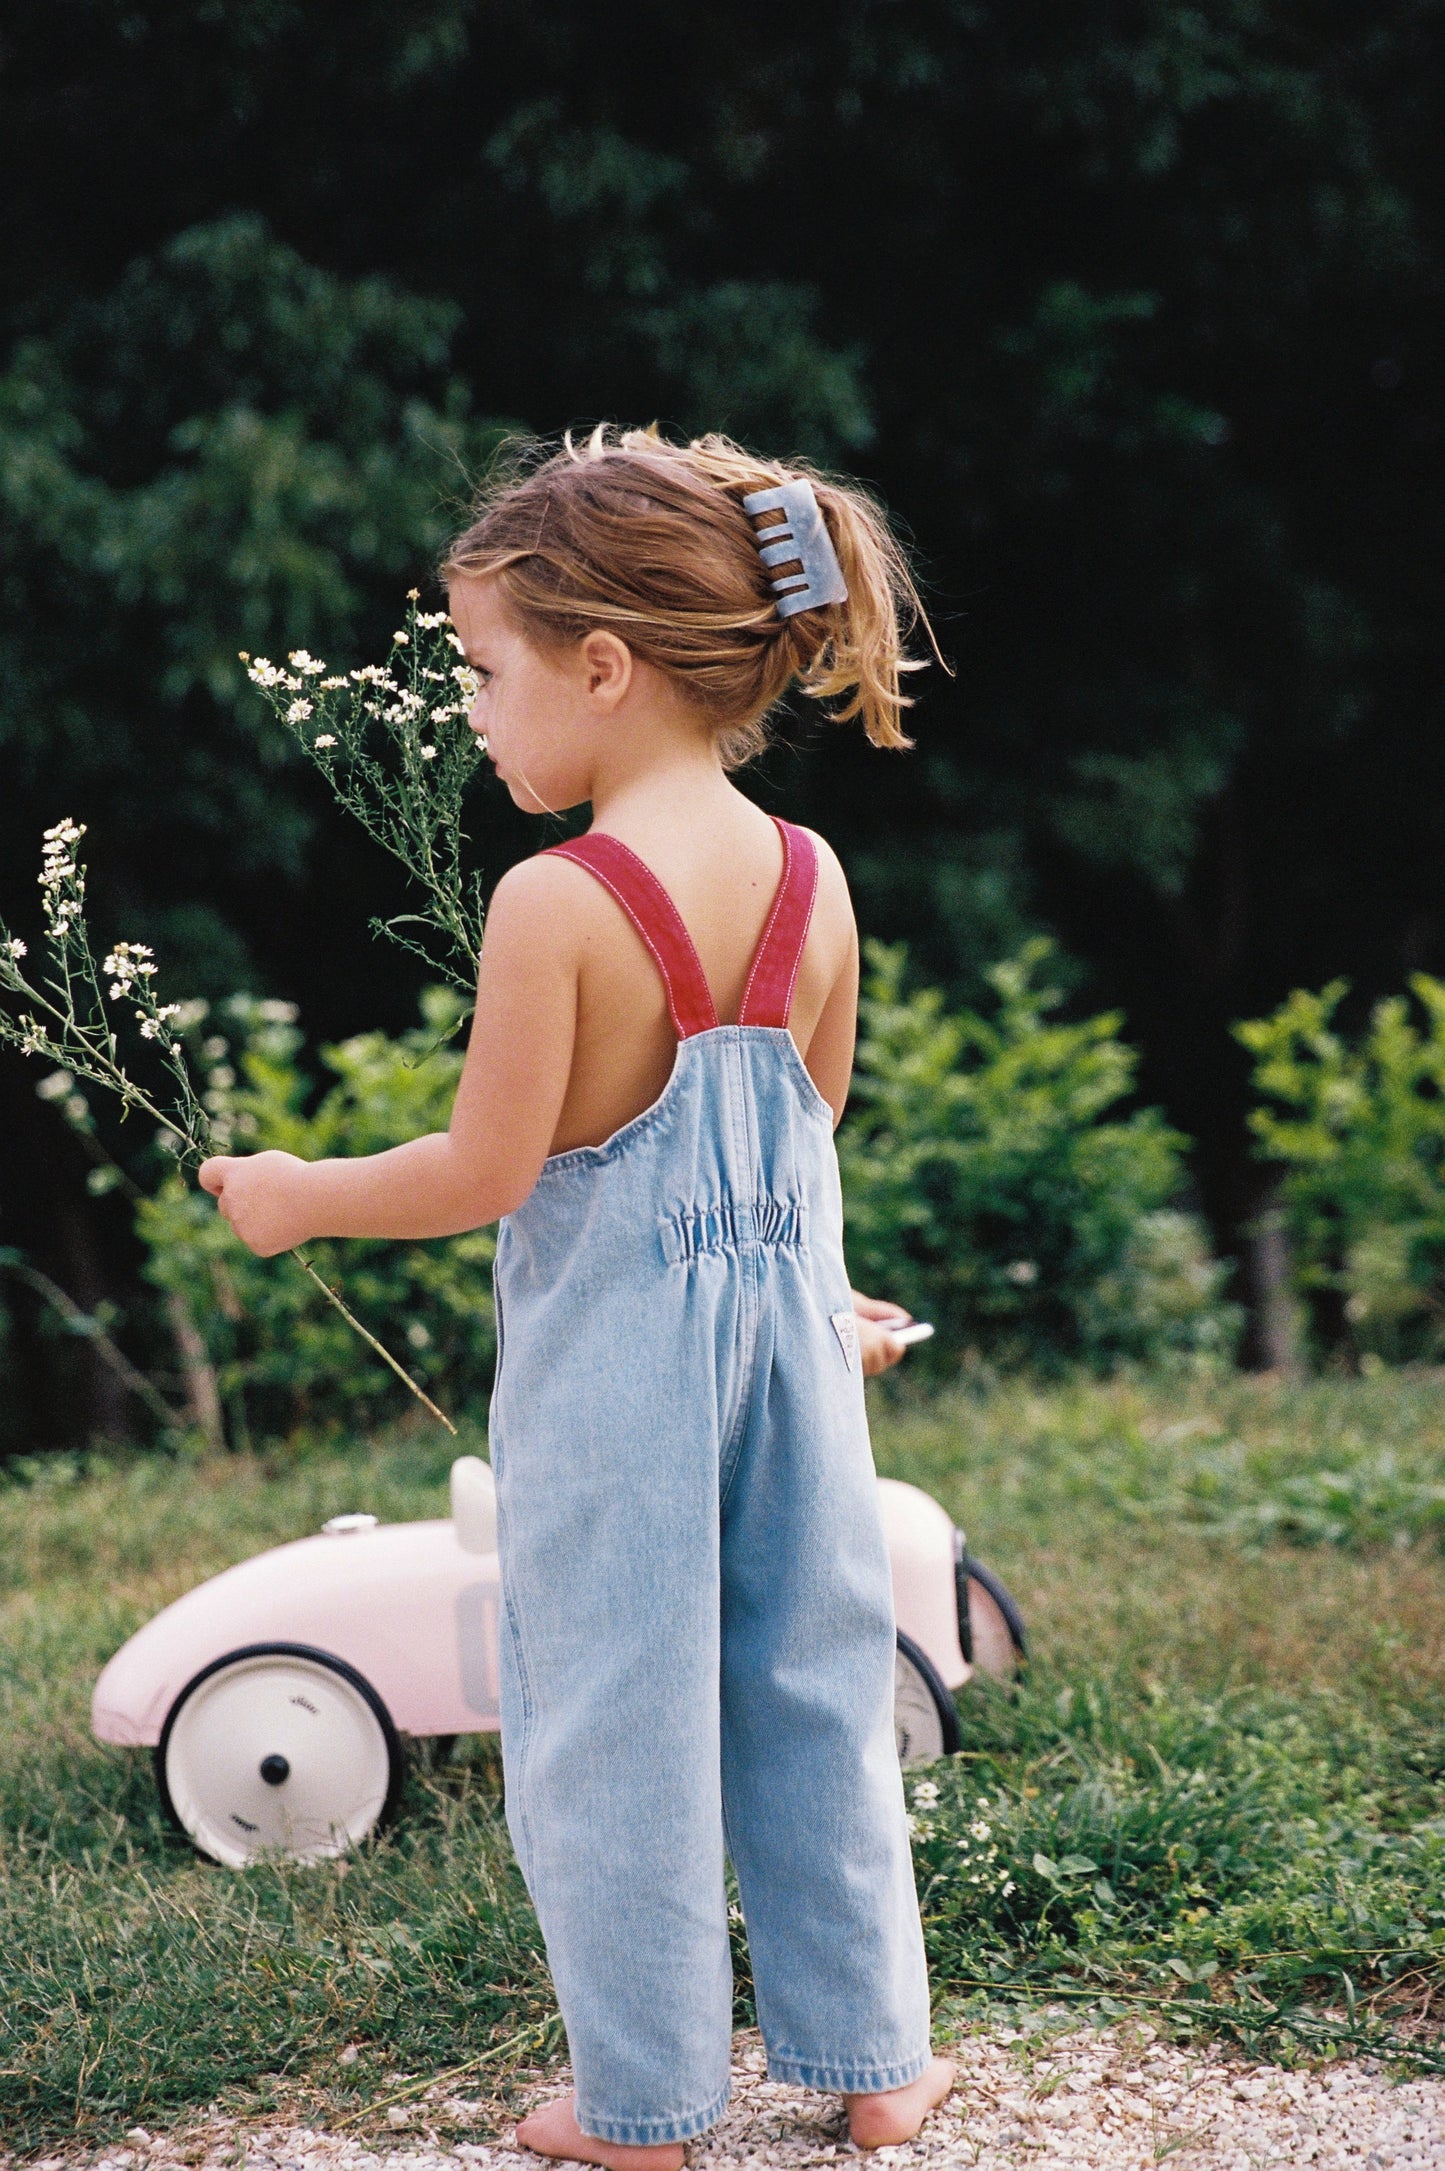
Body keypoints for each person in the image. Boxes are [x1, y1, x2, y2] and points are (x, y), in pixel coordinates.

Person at [200, 428, 954, 2169]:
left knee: (612, 1730)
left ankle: (643, 2106)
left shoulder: (558, 902)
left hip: (618, 1397)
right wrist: (792, 1304)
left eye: (482, 671)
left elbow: (486, 1171)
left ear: (601, 667)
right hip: (787, 1376)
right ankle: (875, 2066)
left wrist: (300, 1196)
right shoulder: (812, 879)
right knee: (816, 1697)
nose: (467, 710)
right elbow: (800, 1132)